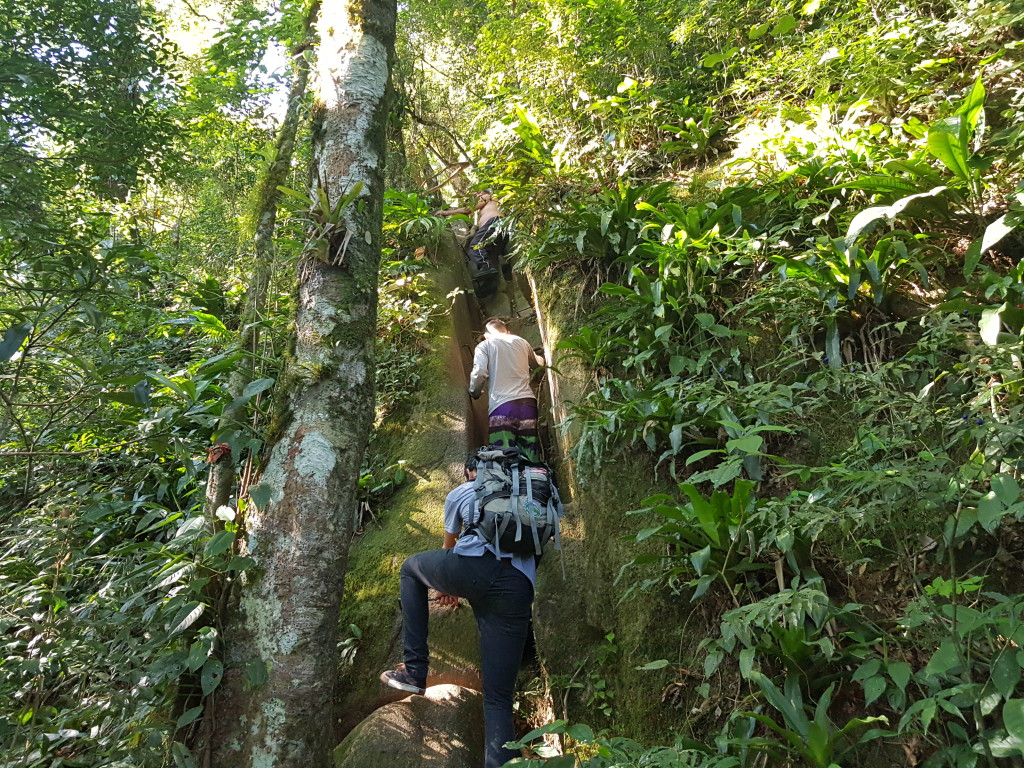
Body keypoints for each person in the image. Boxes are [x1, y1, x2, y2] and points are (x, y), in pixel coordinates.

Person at [380, 458, 535, 768]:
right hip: (518, 589)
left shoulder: (464, 490)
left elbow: (449, 545)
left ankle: (414, 671)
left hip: (473, 567)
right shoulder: (533, 494)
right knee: (498, 698)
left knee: (411, 569)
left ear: (471, 471)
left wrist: (447, 586)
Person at [469, 318, 544, 462]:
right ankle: (534, 481)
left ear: (486, 335)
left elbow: (479, 373)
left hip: (502, 408)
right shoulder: (521, 341)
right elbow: (537, 364)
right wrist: (542, 355)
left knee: (502, 457)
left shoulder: (484, 345)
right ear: (507, 332)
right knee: (530, 455)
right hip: (528, 405)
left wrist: (474, 392)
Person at [436, 191, 509, 297]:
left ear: (483, 193)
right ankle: (490, 285)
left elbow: (468, 209)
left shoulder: (488, 197)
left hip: (494, 223)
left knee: (476, 245)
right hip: (499, 230)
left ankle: (486, 266)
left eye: (477, 194)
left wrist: (446, 213)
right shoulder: (490, 205)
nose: (476, 196)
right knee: (489, 255)